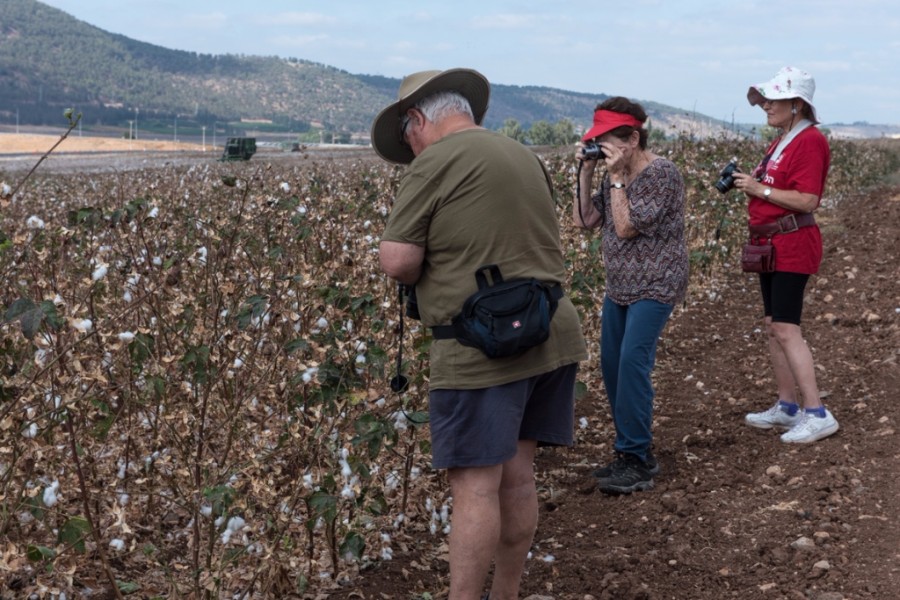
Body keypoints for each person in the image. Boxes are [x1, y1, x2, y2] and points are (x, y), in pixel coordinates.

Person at [372, 68, 588, 600]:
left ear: (417, 120)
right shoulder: (522, 156)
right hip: (550, 331)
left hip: (483, 346)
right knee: (517, 477)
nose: (411, 148)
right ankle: (505, 595)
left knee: (474, 488)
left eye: (407, 137)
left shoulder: (435, 163)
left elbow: (398, 261)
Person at [573, 97, 688, 495]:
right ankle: (630, 451)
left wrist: (618, 178)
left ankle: (635, 458)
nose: (601, 149)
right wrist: (588, 173)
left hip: (657, 282)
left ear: (633, 138)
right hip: (620, 285)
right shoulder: (611, 174)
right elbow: (586, 221)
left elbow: (624, 228)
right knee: (611, 366)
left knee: (632, 363)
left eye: (606, 142)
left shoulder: (662, 174)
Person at [733, 67, 839, 443]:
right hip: (771, 244)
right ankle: (787, 406)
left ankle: (817, 412)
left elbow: (808, 199)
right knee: (773, 325)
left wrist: (758, 190)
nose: (765, 106)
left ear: (797, 104)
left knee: (785, 327)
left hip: (792, 242)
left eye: (773, 100)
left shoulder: (809, 141)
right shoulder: (782, 141)